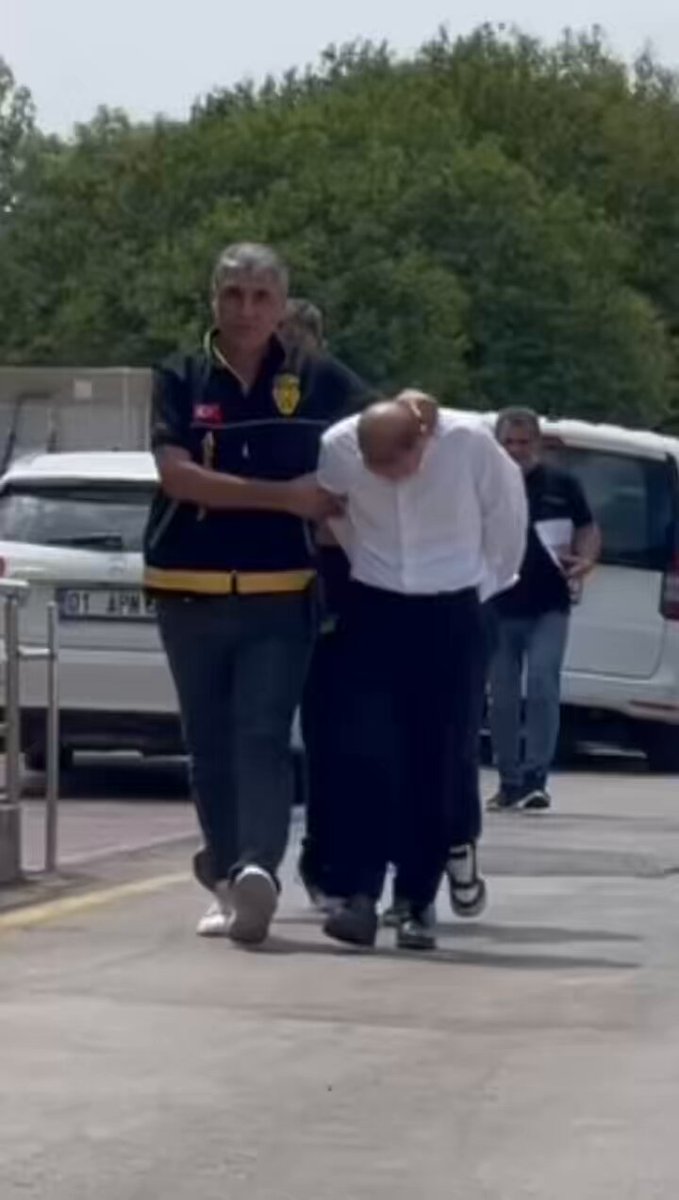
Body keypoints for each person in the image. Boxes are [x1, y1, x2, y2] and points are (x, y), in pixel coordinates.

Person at [144, 243, 365, 946]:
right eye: (233, 295)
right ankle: (223, 879)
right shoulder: (180, 376)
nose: (246, 310)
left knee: (262, 735)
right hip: (187, 588)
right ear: (213, 300)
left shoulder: (316, 377)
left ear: (281, 305)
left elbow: (380, 429)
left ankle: (256, 870)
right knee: (207, 744)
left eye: (260, 296)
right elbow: (180, 478)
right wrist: (286, 498)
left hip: (280, 591)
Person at [315, 392, 528, 951]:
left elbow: (507, 522)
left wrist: (476, 587)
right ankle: (358, 895)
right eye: (375, 468)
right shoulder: (338, 447)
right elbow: (333, 511)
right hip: (375, 605)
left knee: (438, 757)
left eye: (396, 465)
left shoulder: (469, 444)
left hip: (452, 609)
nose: (387, 478)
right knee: (364, 751)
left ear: (423, 443)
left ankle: (414, 900)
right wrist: (369, 561)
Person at [280, 297, 373, 910]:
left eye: (296, 335)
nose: (289, 347)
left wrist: (338, 513)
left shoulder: (336, 386)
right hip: (274, 571)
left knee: (332, 729)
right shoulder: (252, 386)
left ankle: (328, 861)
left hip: (333, 575)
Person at [487, 407, 601, 812]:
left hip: (549, 603)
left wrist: (586, 559)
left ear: (536, 443)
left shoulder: (562, 483)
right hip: (498, 603)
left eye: (523, 442)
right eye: (509, 442)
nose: (516, 450)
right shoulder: (487, 483)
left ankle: (536, 777)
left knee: (541, 684)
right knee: (501, 696)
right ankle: (509, 780)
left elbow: (587, 527)